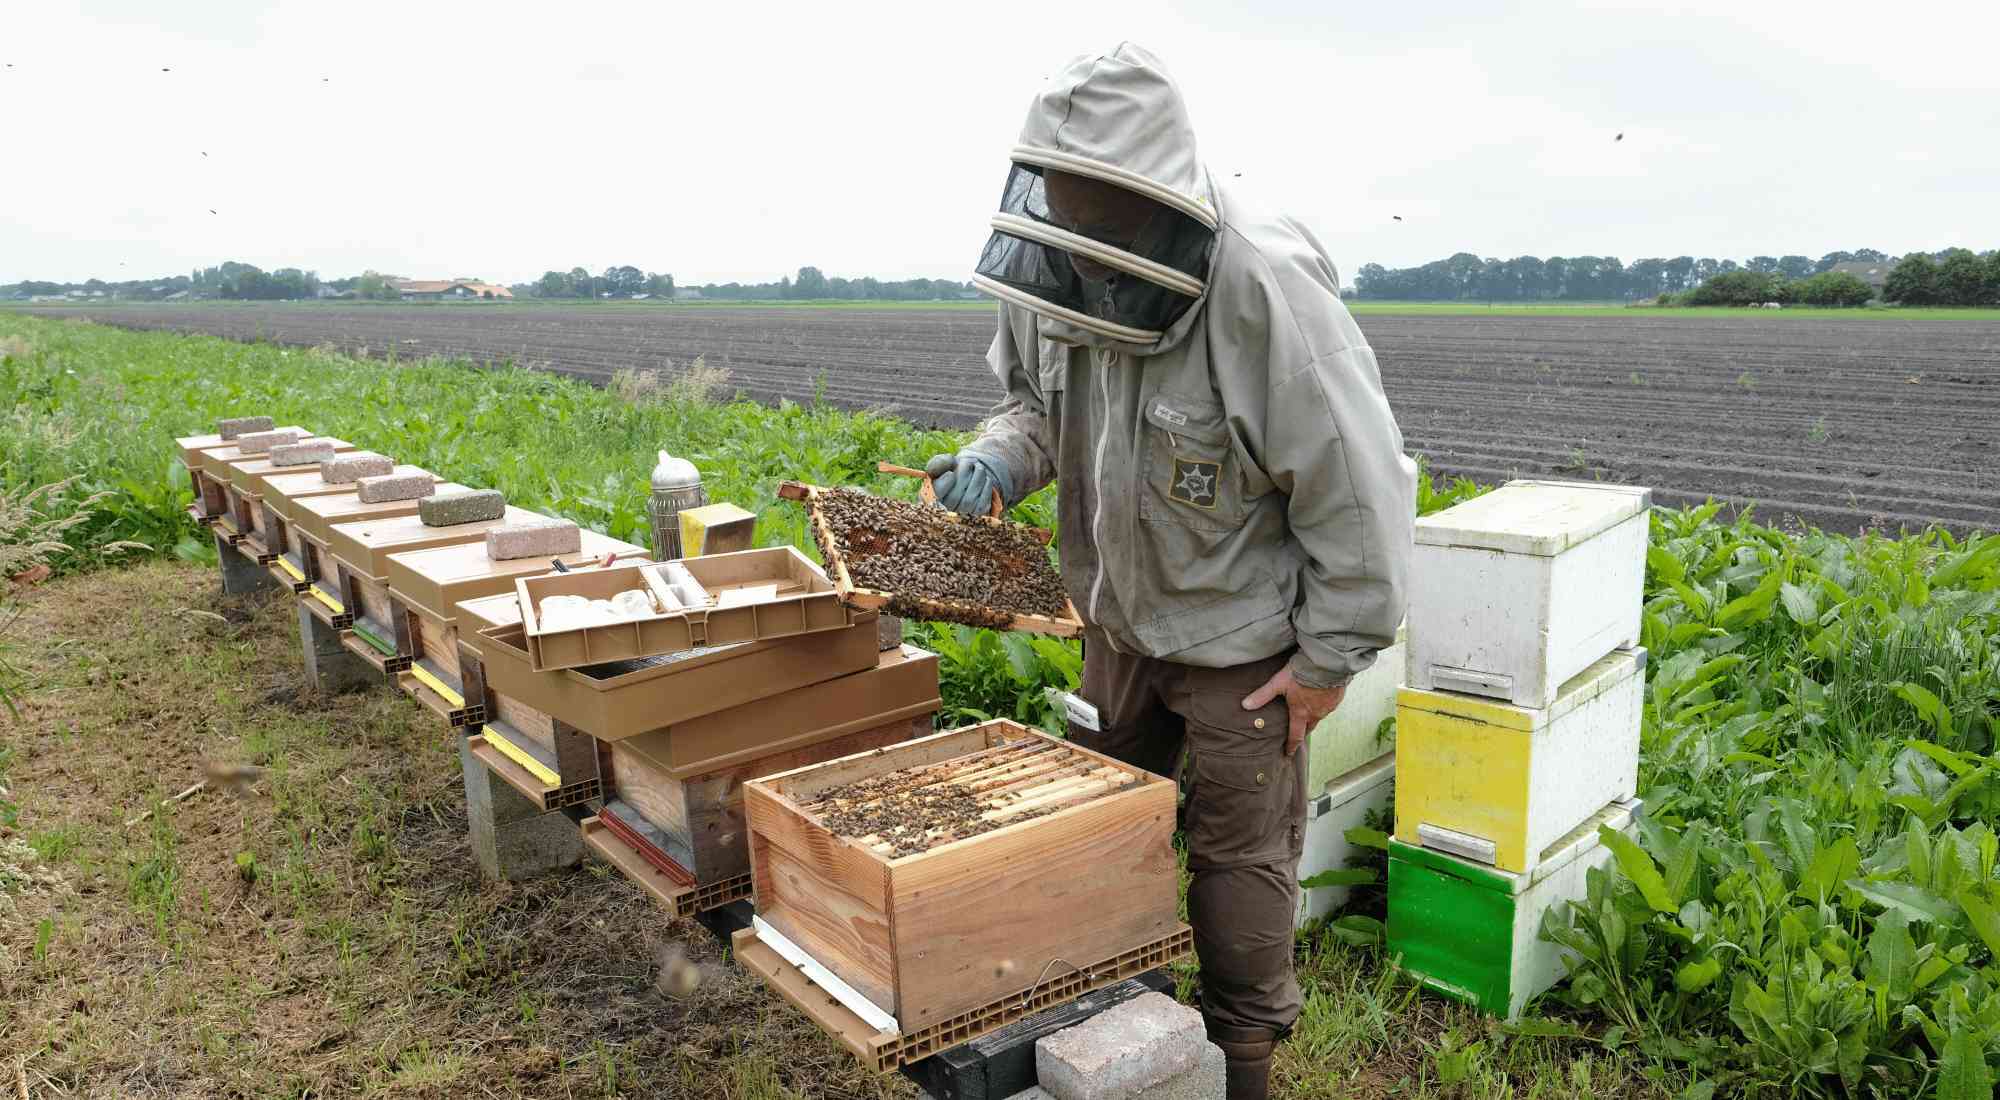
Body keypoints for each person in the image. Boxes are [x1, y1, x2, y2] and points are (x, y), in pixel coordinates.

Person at [925, 42, 1415, 1100]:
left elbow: (1359, 494)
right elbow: (1035, 407)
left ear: (1147, 197)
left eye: (1097, 215)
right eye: (1063, 207)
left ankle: (1239, 1066)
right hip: (1112, 622)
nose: (1082, 241)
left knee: (1237, 862)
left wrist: (1329, 657)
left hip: (1242, 644)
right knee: (1099, 829)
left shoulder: (1265, 295)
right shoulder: (1048, 259)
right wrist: (993, 460)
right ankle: (1112, 1036)